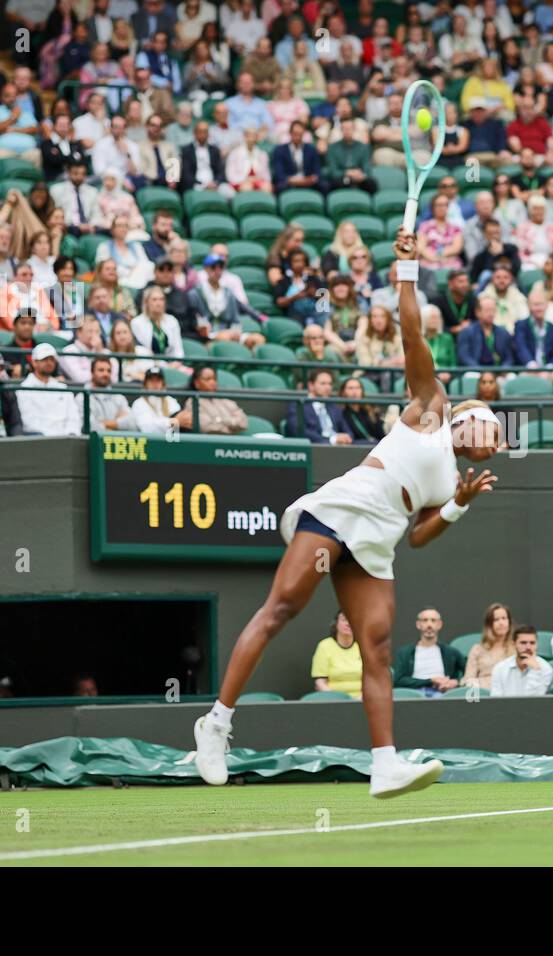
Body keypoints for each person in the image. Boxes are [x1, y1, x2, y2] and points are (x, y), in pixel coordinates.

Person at [194, 228, 501, 798]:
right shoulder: (431, 403)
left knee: (378, 648)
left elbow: (418, 539)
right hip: (344, 509)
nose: (495, 440)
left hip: (379, 541)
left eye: (500, 438)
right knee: (284, 606)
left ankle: (384, 765)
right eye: (492, 427)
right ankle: (215, 725)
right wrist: (406, 271)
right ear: (467, 414)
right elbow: (411, 330)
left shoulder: (451, 480)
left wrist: (458, 505)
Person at [392, 607, 465, 698]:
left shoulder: (450, 652)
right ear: (418, 624)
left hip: (442, 694)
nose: (429, 624)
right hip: (414, 694)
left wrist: (456, 682)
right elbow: (398, 681)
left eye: (433, 620)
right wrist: (431, 681)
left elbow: (470, 672)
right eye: (425, 620)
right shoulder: (405, 653)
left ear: (440, 624)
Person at [17, 343, 82, 436]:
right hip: (39, 442)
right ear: (34, 362)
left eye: (52, 360)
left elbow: (74, 418)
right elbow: (28, 422)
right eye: (44, 359)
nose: (49, 363)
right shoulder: (22, 390)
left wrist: (71, 434)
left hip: (66, 441)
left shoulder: (63, 389)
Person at [489, 626, 553, 697]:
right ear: (514, 644)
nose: (528, 647)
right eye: (523, 643)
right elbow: (495, 701)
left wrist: (535, 671)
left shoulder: (546, 669)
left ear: (537, 645)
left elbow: (535, 702)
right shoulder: (499, 669)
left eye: (532, 643)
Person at [311, 610, 363, 698]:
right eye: (344, 620)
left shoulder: (364, 646)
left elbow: (372, 680)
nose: (348, 624)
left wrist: (360, 699)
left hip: (362, 701)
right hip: (333, 701)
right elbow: (320, 682)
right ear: (336, 624)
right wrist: (336, 699)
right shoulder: (324, 646)